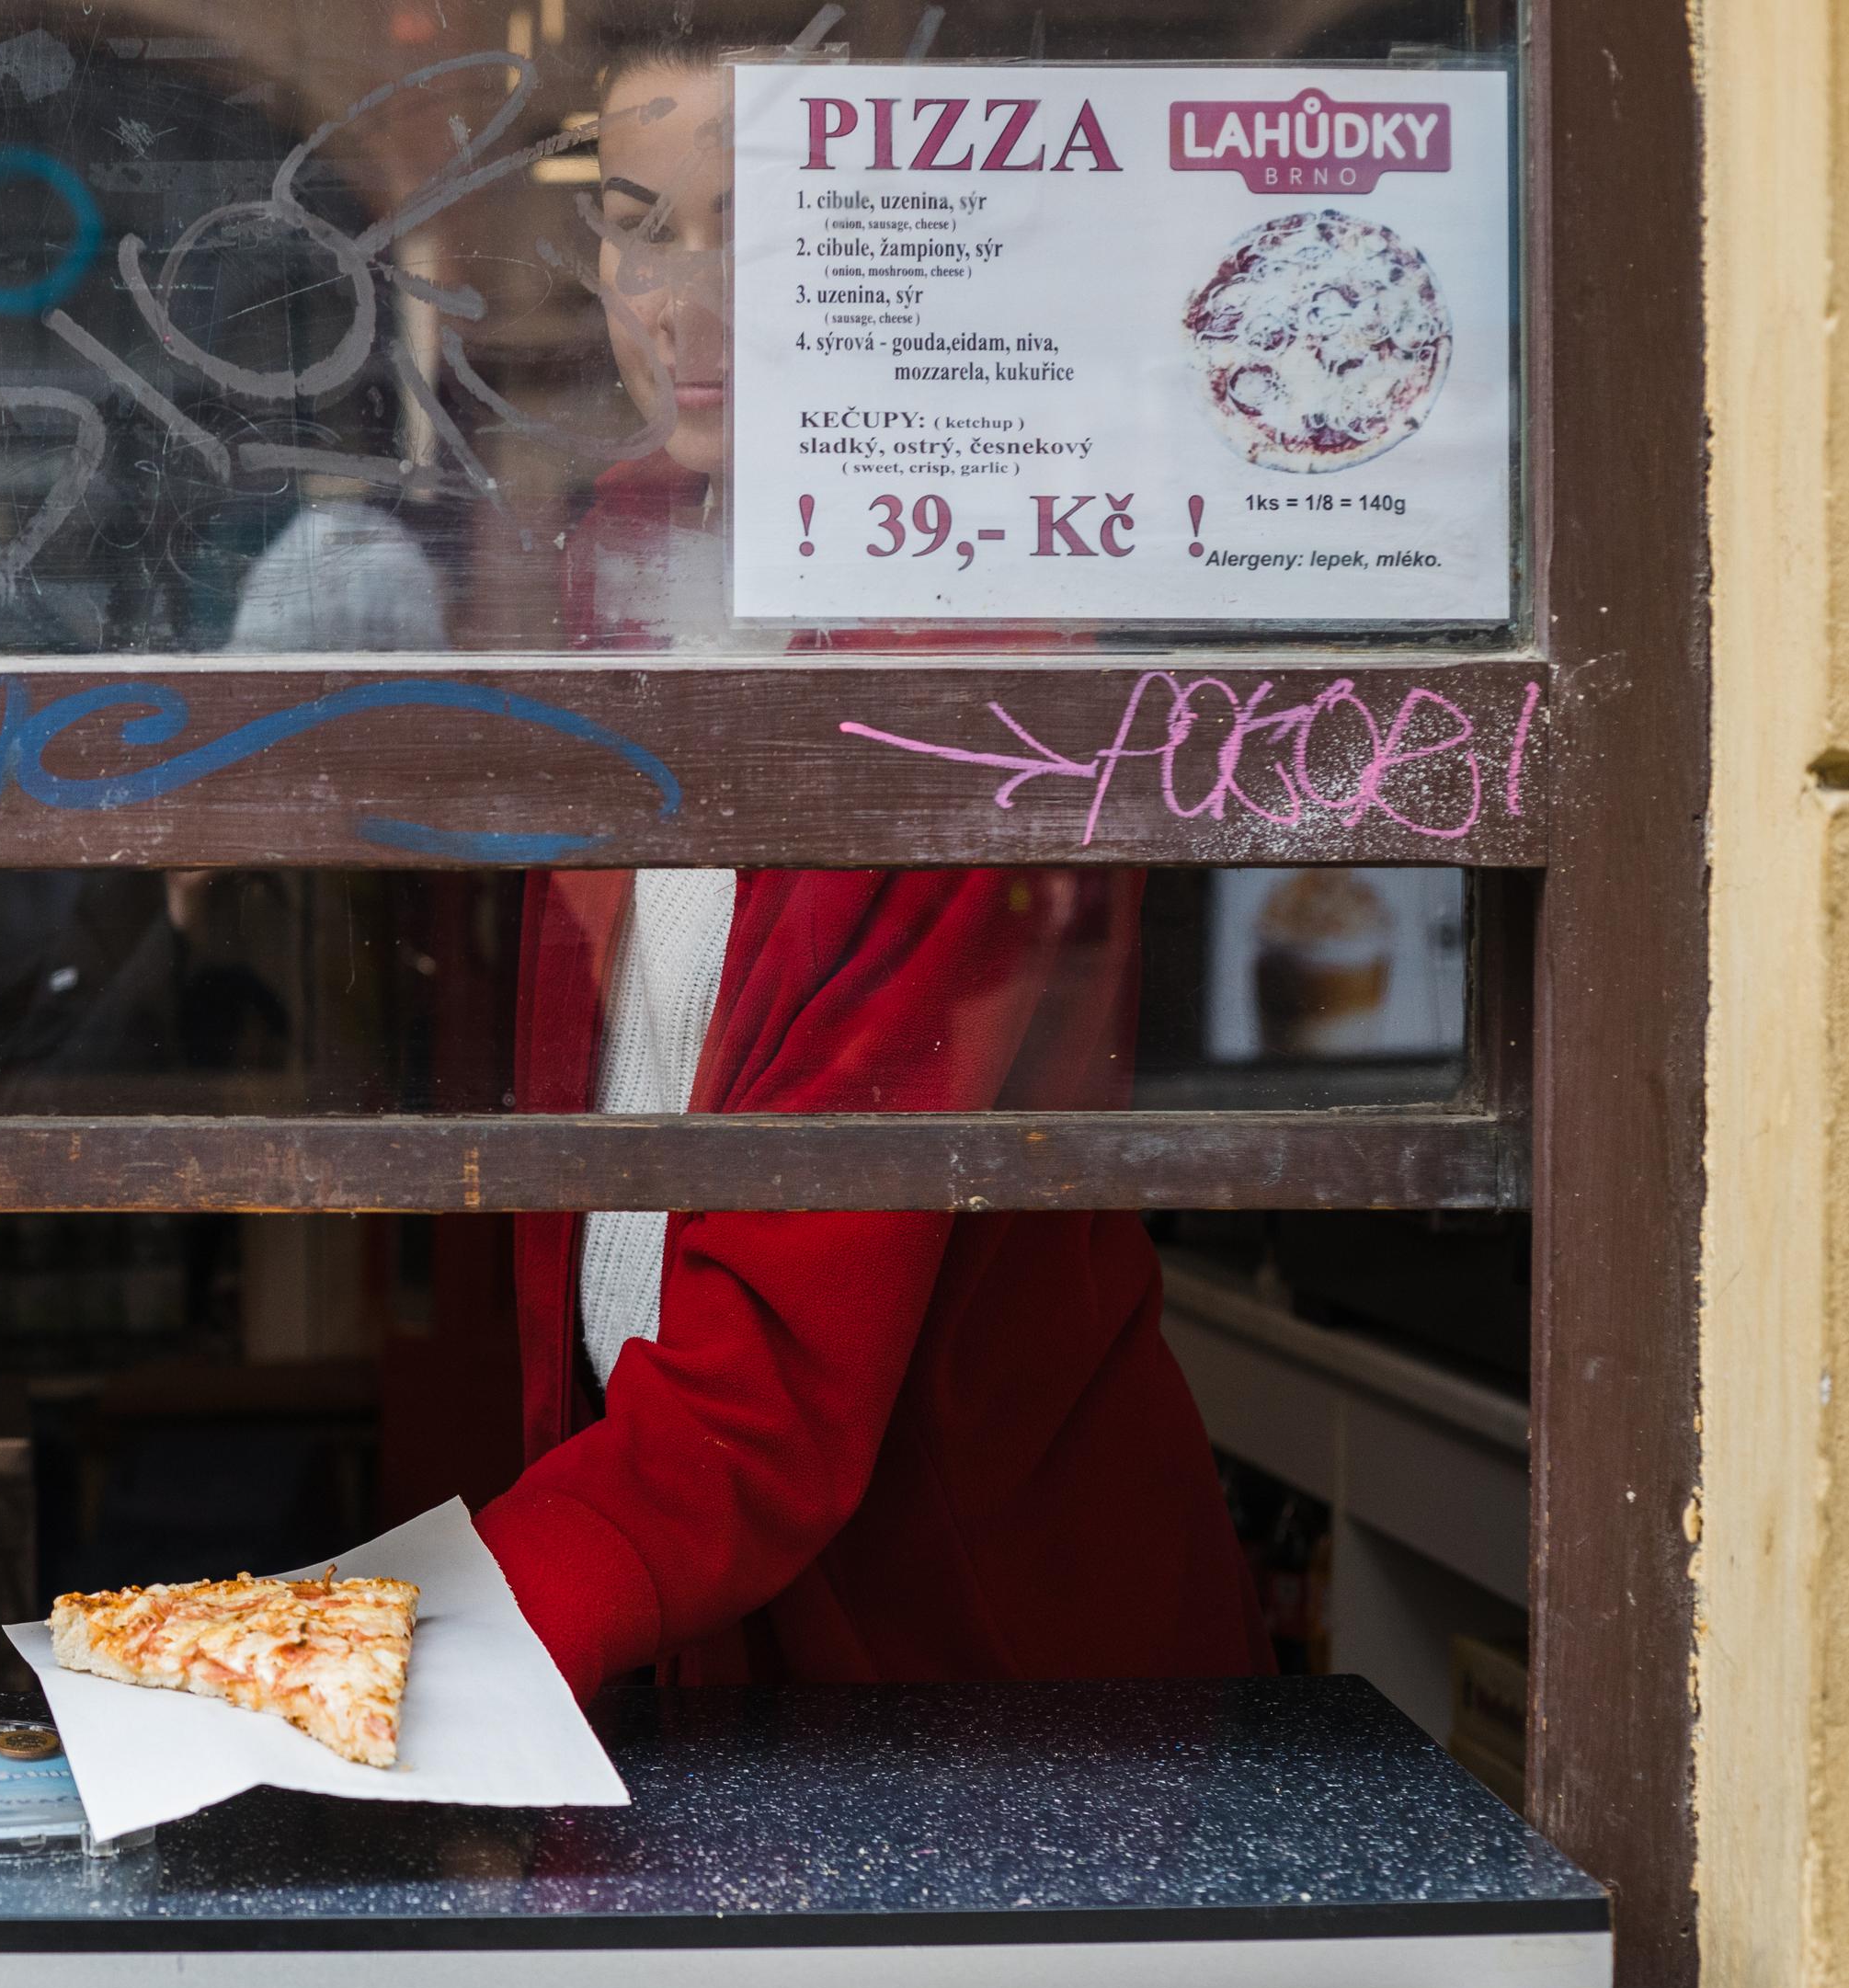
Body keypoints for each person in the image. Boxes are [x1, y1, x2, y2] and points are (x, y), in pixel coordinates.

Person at [472, 6, 1272, 1696]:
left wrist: (448, 1633)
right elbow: (611, 1107)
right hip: (669, 1555)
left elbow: (782, 1361)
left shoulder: (973, 654)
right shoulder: (620, 561)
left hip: (966, 1652)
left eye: (770, 228)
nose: (691, 305)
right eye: (640, 230)